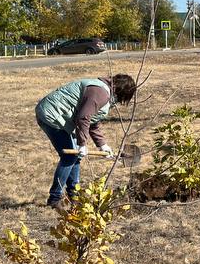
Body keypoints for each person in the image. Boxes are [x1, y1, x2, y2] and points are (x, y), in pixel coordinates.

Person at [35, 74, 138, 210]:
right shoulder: (101, 92)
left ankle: (74, 195)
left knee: (75, 157)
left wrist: (102, 145)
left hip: (58, 116)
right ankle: (54, 199)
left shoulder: (104, 92)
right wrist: (82, 144)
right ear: (122, 91)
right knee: (69, 157)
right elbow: (83, 118)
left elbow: (92, 121)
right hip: (52, 115)